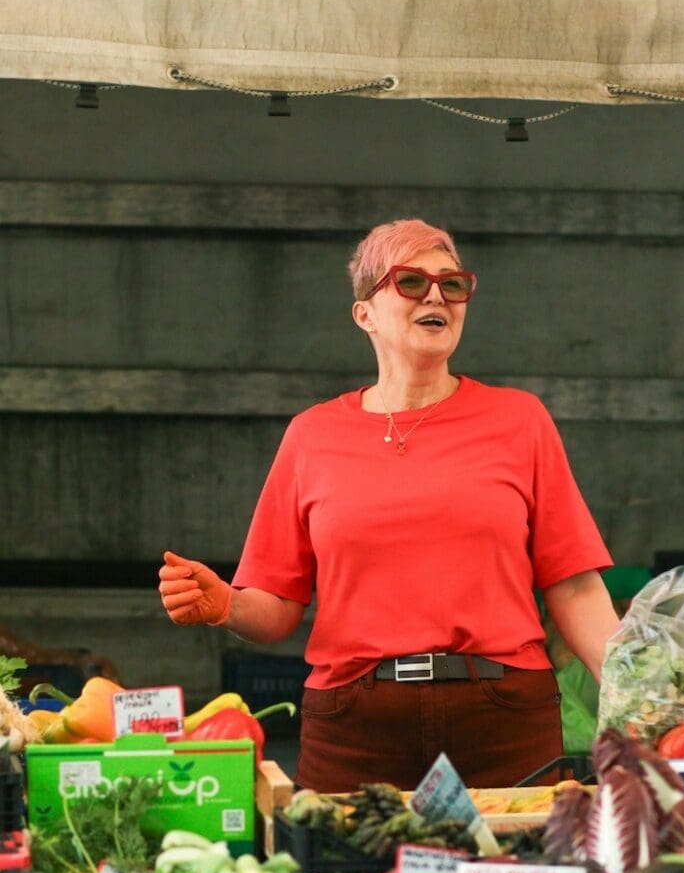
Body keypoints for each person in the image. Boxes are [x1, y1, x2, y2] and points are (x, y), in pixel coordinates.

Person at [158, 218, 621, 792]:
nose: (436, 296)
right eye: (410, 282)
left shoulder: (519, 420)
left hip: (501, 716)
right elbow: (276, 609)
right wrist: (224, 603)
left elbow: (574, 586)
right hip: (355, 724)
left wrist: (640, 699)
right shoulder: (311, 435)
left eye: (452, 285)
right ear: (365, 315)